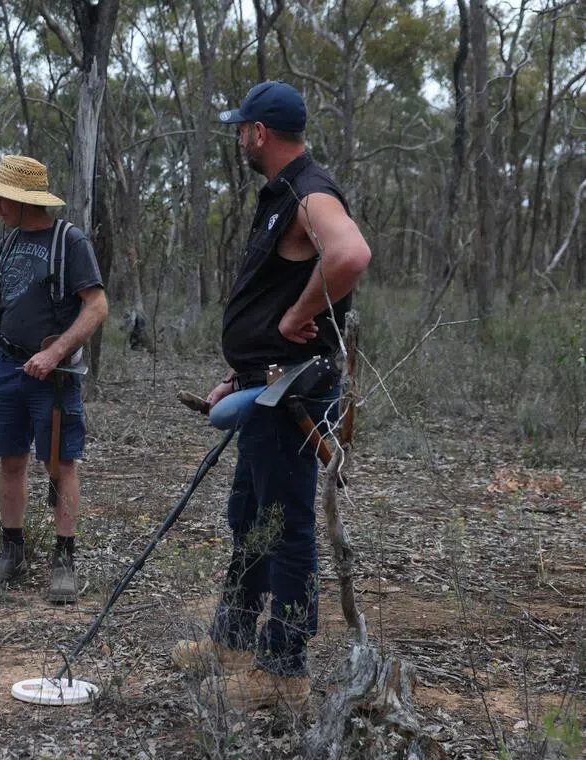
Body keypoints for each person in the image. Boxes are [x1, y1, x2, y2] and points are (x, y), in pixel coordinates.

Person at [170, 81, 371, 711]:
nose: (239, 139)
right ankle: (232, 635)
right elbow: (272, 289)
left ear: (260, 132)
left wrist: (296, 319)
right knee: (250, 516)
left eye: (241, 129)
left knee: (285, 525)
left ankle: (284, 666)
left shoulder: (309, 191)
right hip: (264, 386)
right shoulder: (281, 196)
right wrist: (243, 366)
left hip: (295, 394)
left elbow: (351, 254)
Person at [0, 155, 109, 604]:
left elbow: (96, 306)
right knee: (10, 460)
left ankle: (64, 561)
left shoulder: (68, 241)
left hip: (53, 375)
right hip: (4, 367)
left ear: (23, 200)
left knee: (59, 463)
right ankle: (12, 554)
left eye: (1, 199)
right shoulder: (8, 243)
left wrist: (55, 352)